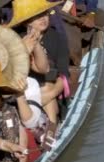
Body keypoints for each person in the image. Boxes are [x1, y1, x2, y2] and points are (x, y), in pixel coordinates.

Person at [8, 0, 70, 141]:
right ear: (25, 22)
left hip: (50, 89)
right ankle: (49, 132)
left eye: (44, 14)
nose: (43, 18)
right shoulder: (16, 39)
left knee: (48, 89)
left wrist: (52, 92)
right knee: (44, 89)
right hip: (21, 88)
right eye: (36, 16)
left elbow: (62, 71)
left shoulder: (55, 36)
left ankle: (51, 131)